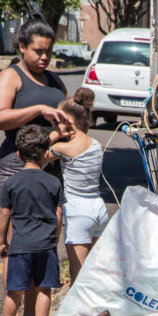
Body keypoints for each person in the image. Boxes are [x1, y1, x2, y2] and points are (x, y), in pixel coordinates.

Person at [0, 16, 68, 316]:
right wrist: (38, 110)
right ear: (22, 47)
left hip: (51, 168)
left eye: (48, 52)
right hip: (17, 166)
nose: (44, 58)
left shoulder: (54, 80)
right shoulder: (12, 76)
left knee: (42, 245)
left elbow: (66, 115)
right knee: (19, 245)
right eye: (38, 51)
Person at [0, 125, 64, 316]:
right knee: (44, 289)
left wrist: (2, 242)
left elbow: (5, 214)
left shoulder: (11, 182)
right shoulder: (53, 182)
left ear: (18, 154)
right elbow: (58, 214)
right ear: (46, 154)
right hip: (46, 245)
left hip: (20, 245)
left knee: (13, 292)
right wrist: (54, 237)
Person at [50, 87, 108, 283]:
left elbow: (35, 159)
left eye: (58, 118)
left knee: (78, 276)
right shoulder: (98, 146)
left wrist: (55, 135)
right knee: (92, 274)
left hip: (78, 211)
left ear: (68, 121)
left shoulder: (62, 147)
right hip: (99, 209)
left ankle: (77, 314)